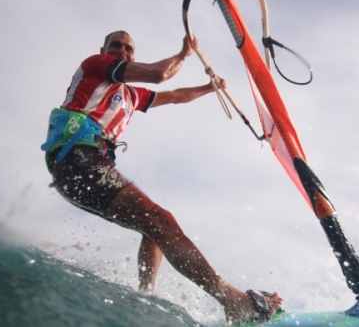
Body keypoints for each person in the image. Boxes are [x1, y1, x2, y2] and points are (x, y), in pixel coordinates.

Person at [41, 30, 282, 323]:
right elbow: (158, 74)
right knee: (161, 219)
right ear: (104, 49)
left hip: (84, 166)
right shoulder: (95, 65)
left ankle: (145, 298)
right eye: (115, 46)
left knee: (153, 229)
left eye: (128, 48)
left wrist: (208, 88)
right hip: (77, 157)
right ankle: (232, 301)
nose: (122, 51)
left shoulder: (130, 95)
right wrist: (184, 54)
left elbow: (177, 96)